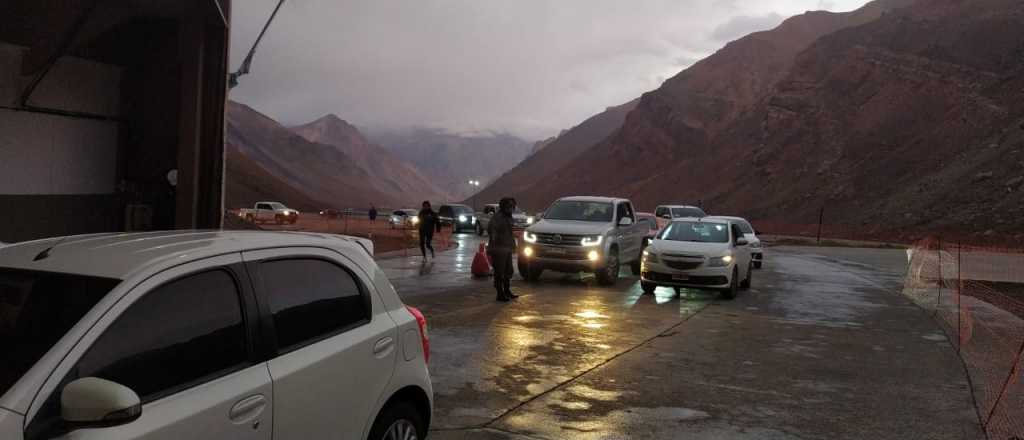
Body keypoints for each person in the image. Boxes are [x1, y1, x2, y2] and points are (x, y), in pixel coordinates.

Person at [487, 197, 519, 302]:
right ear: (504, 206)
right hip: (498, 249)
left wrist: (513, 247)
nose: (511, 208)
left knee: (508, 271)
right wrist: (494, 245)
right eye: (509, 206)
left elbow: (510, 233)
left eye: (512, 206)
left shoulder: (508, 217)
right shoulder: (497, 218)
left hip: (507, 248)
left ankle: (507, 291)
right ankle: (500, 294)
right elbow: (492, 231)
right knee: (499, 272)